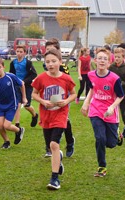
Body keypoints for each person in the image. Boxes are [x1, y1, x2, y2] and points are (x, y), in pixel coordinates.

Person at [32, 49, 76, 190]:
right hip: (46, 115)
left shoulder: (66, 78)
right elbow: (34, 93)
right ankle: (58, 160)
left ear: (60, 62)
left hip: (61, 115)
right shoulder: (41, 78)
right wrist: (43, 101)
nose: (50, 64)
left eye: (53, 61)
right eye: (48, 62)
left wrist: (67, 100)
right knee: (52, 148)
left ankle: (54, 179)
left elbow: (73, 94)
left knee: (53, 144)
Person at [79, 48, 124, 177]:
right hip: (96, 110)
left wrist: (111, 107)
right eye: (100, 58)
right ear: (95, 60)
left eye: (105, 59)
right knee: (100, 138)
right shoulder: (90, 75)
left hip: (110, 113)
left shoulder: (114, 78)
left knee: (111, 143)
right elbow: (92, 89)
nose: (102, 61)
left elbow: (121, 96)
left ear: (109, 62)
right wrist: (86, 102)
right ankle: (101, 167)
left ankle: (117, 134)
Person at [0, 58, 26, 149]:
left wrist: (24, 97)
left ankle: (19, 130)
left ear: (4, 67)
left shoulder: (11, 77)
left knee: (6, 125)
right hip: (0, 105)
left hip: (12, 104)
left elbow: (22, 84)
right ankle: (6, 142)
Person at [8, 45, 39, 127]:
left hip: (27, 86)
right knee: (17, 104)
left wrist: (24, 81)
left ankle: (35, 115)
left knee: (26, 105)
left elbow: (34, 74)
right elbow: (11, 74)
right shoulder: (13, 63)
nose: (19, 53)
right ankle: (17, 124)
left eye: (21, 52)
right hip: (17, 87)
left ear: (24, 53)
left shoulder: (28, 63)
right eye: (17, 51)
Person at [110, 47, 125, 143]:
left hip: (122, 93)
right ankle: (116, 130)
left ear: (123, 58)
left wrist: (120, 83)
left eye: (119, 57)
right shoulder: (111, 67)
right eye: (115, 57)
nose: (117, 59)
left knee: (123, 111)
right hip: (112, 94)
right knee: (113, 112)